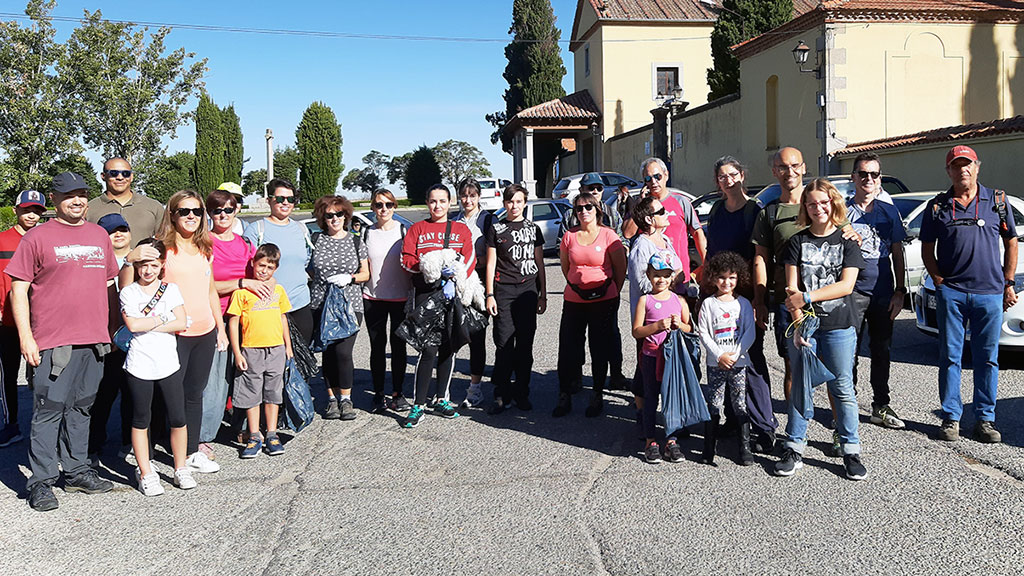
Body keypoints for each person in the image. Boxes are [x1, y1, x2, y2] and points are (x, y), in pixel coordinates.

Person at [8, 172, 119, 511]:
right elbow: (19, 289)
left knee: (82, 408)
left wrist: (112, 331)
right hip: (54, 342)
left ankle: (75, 472)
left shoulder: (99, 235)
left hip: (94, 340)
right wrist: (26, 337)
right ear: (54, 200)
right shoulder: (37, 238)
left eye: (83, 194)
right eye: (69, 195)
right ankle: (41, 481)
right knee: (48, 411)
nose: (77, 200)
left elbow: (109, 287)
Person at [921, 145, 1018, 444]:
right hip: (953, 293)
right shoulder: (938, 206)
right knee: (950, 357)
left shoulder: (997, 201)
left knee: (986, 359)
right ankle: (951, 418)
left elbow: (1011, 241)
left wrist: (1008, 282)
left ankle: (985, 420)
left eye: (968, 164)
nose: (962, 170)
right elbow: (926, 247)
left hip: (989, 294)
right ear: (948, 171)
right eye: (956, 165)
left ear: (978, 167)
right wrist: (939, 281)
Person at [126, 190, 228, 474]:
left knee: (194, 393)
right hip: (174, 334)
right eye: (184, 211)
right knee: (167, 396)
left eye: (196, 211)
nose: (191, 216)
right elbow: (134, 283)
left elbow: (209, 290)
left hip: (204, 331)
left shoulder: (205, 247)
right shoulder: (162, 250)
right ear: (172, 214)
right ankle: (151, 452)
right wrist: (129, 258)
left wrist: (219, 328)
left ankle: (191, 451)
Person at [775, 179, 867, 481]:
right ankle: (794, 447)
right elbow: (791, 287)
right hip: (806, 326)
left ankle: (850, 450)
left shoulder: (848, 241)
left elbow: (846, 285)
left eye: (823, 202)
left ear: (833, 204)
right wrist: (799, 321)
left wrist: (809, 296)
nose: (818, 209)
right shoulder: (797, 242)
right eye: (812, 204)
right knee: (801, 385)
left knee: (842, 387)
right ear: (805, 207)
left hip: (839, 325)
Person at [752, 147, 857, 405]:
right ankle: (796, 431)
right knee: (794, 366)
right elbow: (760, 259)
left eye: (795, 166)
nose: (790, 172)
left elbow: (847, 235)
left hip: (829, 301)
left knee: (833, 369)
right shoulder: (770, 213)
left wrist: (854, 234)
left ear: (803, 167)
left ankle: (836, 427)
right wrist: (760, 299)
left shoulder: (821, 204)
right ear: (775, 171)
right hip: (788, 300)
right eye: (784, 167)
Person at [118, 238, 193, 495]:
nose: (147, 270)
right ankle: (146, 472)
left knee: (177, 417)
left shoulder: (171, 289)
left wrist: (149, 321)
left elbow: (181, 321)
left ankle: (180, 467)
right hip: (139, 364)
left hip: (168, 362)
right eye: (142, 265)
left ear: (162, 265)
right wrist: (163, 317)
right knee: (141, 419)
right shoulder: (129, 292)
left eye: (152, 264)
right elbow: (133, 326)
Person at [400, 184, 476, 428]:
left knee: (447, 347)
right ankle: (418, 405)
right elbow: (406, 259)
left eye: (442, 201)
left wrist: (456, 276)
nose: (437, 206)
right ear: (427, 202)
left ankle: (442, 398)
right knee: (428, 350)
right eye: (433, 201)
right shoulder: (417, 229)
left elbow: (470, 258)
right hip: (426, 294)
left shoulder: (460, 229)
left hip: (451, 295)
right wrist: (429, 271)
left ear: (449, 202)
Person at [845, 152, 908, 430]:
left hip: (883, 291)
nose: (868, 179)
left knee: (881, 350)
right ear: (853, 177)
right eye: (863, 174)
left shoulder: (889, 212)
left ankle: (880, 405)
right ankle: (847, 407)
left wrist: (900, 291)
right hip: (852, 292)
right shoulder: (841, 213)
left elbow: (897, 252)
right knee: (850, 353)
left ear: (879, 178)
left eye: (874, 174)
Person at [203, 188, 265, 455]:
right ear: (210, 213)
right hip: (214, 317)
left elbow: (261, 279)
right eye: (217, 210)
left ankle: (240, 426)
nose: (223, 215)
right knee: (215, 380)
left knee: (245, 375)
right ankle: (203, 435)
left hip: (245, 320)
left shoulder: (245, 245)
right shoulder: (204, 243)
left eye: (228, 209)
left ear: (236, 210)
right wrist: (240, 283)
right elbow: (203, 285)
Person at [554, 192, 626, 418]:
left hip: (604, 300)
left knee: (599, 348)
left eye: (588, 207)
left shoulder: (609, 235)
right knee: (568, 347)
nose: (584, 212)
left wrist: (613, 292)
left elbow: (620, 269)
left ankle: (597, 393)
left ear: (597, 210)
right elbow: (566, 267)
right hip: (574, 300)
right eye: (579, 208)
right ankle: (565, 393)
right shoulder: (569, 236)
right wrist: (578, 283)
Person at [484, 184, 547, 414]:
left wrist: (544, 295)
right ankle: (501, 393)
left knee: (525, 345)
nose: (514, 206)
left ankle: (522, 391)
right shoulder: (496, 229)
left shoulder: (533, 229)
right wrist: (489, 294)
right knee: (503, 344)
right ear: (504, 204)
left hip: (528, 291)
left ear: (524, 203)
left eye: (519, 201)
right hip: (503, 292)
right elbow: (490, 264)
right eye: (510, 201)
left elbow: (539, 264)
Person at [228, 244, 293, 458]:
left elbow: (283, 318)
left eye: (269, 267)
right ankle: (254, 434)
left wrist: (288, 346)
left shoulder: (278, 290)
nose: (264, 270)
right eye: (261, 265)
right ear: (253, 264)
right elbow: (234, 322)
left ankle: (272, 433)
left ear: (276, 269)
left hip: (275, 348)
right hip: (250, 349)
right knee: (251, 392)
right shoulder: (242, 293)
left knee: (273, 392)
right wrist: (237, 353)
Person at [309, 195, 368, 421]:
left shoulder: (355, 241)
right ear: (323, 218)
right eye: (329, 215)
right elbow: (309, 268)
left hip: (349, 305)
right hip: (321, 304)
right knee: (329, 354)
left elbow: (366, 273)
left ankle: (346, 398)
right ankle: (331, 398)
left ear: (346, 215)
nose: (335, 219)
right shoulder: (316, 239)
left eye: (339, 214)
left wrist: (350, 278)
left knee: (343, 352)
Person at [697, 251, 756, 466]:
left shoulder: (744, 305)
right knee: (714, 402)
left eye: (732, 277)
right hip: (716, 363)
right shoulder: (709, 304)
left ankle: (745, 447)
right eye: (722, 277)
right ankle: (708, 448)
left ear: (739, 277)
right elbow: (703, 332)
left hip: (738, 363)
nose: (727, 282)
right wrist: (719, 355)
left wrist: (736, 354)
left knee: (739, 403)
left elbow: (749, 333)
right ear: (713, 278)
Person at [631, 254, 690, 464]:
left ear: (672, 277)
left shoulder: (679, 300)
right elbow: (636, 331)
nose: (661, 280)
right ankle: (650, 441)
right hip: (650, 356)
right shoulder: (645, 300)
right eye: (656, 275)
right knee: (650, 397)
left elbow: (690, 328)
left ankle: (671, 440)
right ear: (648, 275)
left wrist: (679, 325)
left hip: (672, 358)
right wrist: (655, 327)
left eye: (665, 275)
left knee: (671, 399)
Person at [87, 214, 134, 465]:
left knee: (132, 394)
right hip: (104, 337)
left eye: (122, 229)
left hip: (135, 338)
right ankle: (93, 447)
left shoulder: (139, 259)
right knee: (102, 395)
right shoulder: (94, 261)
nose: (118, 234)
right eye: (111, 231)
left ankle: (130, 443)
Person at [243, 178, 314, 345]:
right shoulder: (256, 229)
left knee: (302, 362)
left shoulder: (302, 229)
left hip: (300, 303)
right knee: (274, 362)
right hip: (268, 306)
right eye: (280, 199)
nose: (285, 203)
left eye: (290, 199)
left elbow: (306, 262)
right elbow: (247, 266)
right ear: (269, 201)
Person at [0, 190, 46, 448]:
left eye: (37, 210)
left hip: (40, 320)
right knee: (6, 375)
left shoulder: (45, 239)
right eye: (27, 209)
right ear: (16, 210)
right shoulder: (2, 240)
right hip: (6, 320)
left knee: (41, 376)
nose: (32, 214)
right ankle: (11, 424)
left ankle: (44, 427)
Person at [363, 189, 412, 413]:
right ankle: (378, 394)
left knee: (399, 347)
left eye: (389, 205)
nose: (384, 209)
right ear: (373, 207)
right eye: (379, 205)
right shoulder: (366, 233)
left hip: (400, 297)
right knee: (377, 347)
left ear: (395, 207)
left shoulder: (403, 231)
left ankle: (398, 393)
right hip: (373, 298)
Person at [622, 158, 706, 283]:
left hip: (679, 276)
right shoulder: (640, 204)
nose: (654, 182)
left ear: (666, 175)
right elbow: (628, 233)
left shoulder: (681, 202)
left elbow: (698, 233)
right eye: (648, 179)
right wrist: (641, 203)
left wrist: (706, 264)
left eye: (657, 176)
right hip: (654, 280)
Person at [452, 178, 496, 408]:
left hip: (480, 284)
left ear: (479, 196)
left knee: (477, 337)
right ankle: (443, 389)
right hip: (456, 286)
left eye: (472, 195)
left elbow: (494, 256)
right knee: (454, 336)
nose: (468, 200)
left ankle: (475, 388)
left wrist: (469, 263)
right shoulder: (453, 221)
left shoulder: (488, 220)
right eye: (464, 195)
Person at [87, 157, 164, 245]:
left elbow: (164, 241)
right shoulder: (89, 209)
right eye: (114, 173)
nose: (120, 177)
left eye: (125, 173)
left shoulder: (153, 207)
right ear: (103, 176)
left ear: (131, 177)